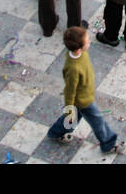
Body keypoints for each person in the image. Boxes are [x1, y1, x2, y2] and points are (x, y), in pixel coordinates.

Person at [46, 26, 120, 154]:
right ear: (79, 47)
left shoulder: (81, 53)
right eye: (87, 40)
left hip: (85, 95)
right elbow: (69, 90)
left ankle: (56, 132)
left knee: (73, 118)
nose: (90, 41)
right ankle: (108, 144)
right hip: (83, 101)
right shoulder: (73, 68)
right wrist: (69, 106)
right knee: (97, 120)